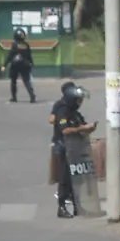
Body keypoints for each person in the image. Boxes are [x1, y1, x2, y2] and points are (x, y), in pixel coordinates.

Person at [50, 82, 94, 219]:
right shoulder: (62, 110)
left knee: (77, 179)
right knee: (65, 179)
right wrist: (82, 129)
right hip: (64, 148)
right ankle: (61, 207)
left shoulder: (75, 113)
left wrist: (89, 128)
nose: (80, 103)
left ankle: (77, 207)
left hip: (76, 148)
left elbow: (82, 125)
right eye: (78, 100)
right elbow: (65, 130)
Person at [6, 30, 35, 103]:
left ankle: (14, 97)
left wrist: (4, 65)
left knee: (13, 81)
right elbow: (29, 55)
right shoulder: (26, 45)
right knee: (26, 81)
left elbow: (10, 55)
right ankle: (32, 95)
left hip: (15, 65)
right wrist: (31, 63)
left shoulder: (14, 45)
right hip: (25, 64)